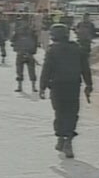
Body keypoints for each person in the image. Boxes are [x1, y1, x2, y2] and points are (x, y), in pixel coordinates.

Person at [39, 24, 93, 158]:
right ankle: (67, 139)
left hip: (57, 87)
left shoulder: (52, 50)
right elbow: (85, 69)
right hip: (73, 86)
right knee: (72, 113)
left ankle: (61, 138)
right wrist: (89, 85)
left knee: (60, 112)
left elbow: (46, 69)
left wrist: (42, 86)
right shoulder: (78, 49)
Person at [11, 22, 38, 93]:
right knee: (32, 71)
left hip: (20, 53)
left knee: (19, 71)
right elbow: (36, 43)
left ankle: (19, 86)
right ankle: (33, 87)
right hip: (29, 54)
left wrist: (16, 48)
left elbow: (12, 41)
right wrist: (33, 52)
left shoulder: (17, 33)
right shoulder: (32, 33)